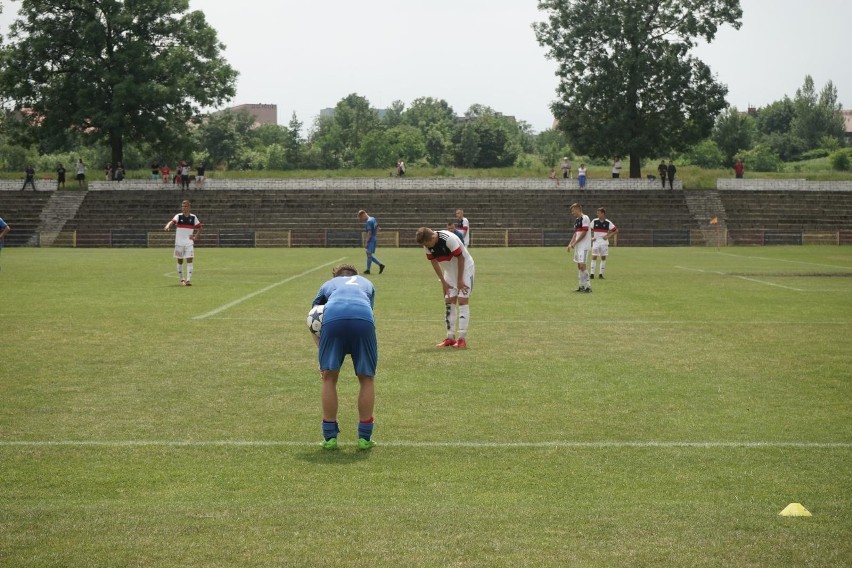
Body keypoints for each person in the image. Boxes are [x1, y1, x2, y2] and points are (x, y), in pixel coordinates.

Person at [311, 263, 378, 451]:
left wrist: (321, 354)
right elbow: (369, 311)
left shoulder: (328, 285)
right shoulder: (367, 283)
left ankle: (330, 438)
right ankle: (364, 437)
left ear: (336, 277)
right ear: (355, 276)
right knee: (366, 378)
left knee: (329, 377)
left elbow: (313, 318)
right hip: (363, 320)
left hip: (333, 320)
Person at [415, 226, 475, 349]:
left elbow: (461, 258)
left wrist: (459, 280)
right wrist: (443, 281)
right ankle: (450, 338)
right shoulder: (427, 244)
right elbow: (434, 262)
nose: (427, 247)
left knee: (462, 301)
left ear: (432, 237)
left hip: (465, 269)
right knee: (449, 302)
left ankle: (462, 339)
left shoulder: (448, 239)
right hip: (449, 270)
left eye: (428, 244)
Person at [164, 199, 202, 286]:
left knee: (190, 259)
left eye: (185, 206)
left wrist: (195, 237)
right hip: (179, 243)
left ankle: (188, 280)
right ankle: (182, 279)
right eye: (182, 206)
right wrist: (167, 226)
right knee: (180, 261)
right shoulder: (178, 216)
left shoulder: (193, 217)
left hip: (189, 243)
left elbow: (200, 228)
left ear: (189, 207)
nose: (183, 207)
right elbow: (172, 222)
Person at [566, 203, 592, 293]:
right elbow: (576, 233)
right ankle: (581, 286)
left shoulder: (585, 218)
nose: (572, 212)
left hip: (584, 246)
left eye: (573, 210)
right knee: (579, 265)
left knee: (582, 265)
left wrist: (575, 243)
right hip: (578, 246)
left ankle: (588, 287)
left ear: (578, 209)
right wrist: (570, 244)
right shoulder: (577, 220)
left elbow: (584, 232)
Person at [590, 207, 618, 280]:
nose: (597, 214)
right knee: (594, 257)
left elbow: (616, 230)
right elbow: (588, 230)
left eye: (599, 213)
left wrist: (608, 236)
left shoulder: (608, 222)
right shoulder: (594, 221)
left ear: (603, 213)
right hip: (596, 242)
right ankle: (592, 274)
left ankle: (600, 274)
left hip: (604, 243)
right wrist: (591, 237)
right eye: (597, 213)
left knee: (603, 257)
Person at [357, 209, 385, 274]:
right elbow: (378, 227)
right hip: (373, 238)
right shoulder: (373, 218)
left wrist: (366, 242)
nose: (361, 219)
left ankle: (370, 269)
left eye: (361, 217)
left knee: (369, 254)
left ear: (364, 214)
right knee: (368, 254)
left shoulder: (369, 222)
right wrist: (376, 233)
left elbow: (369, 233)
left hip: (371, 239)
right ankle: (379, 266)